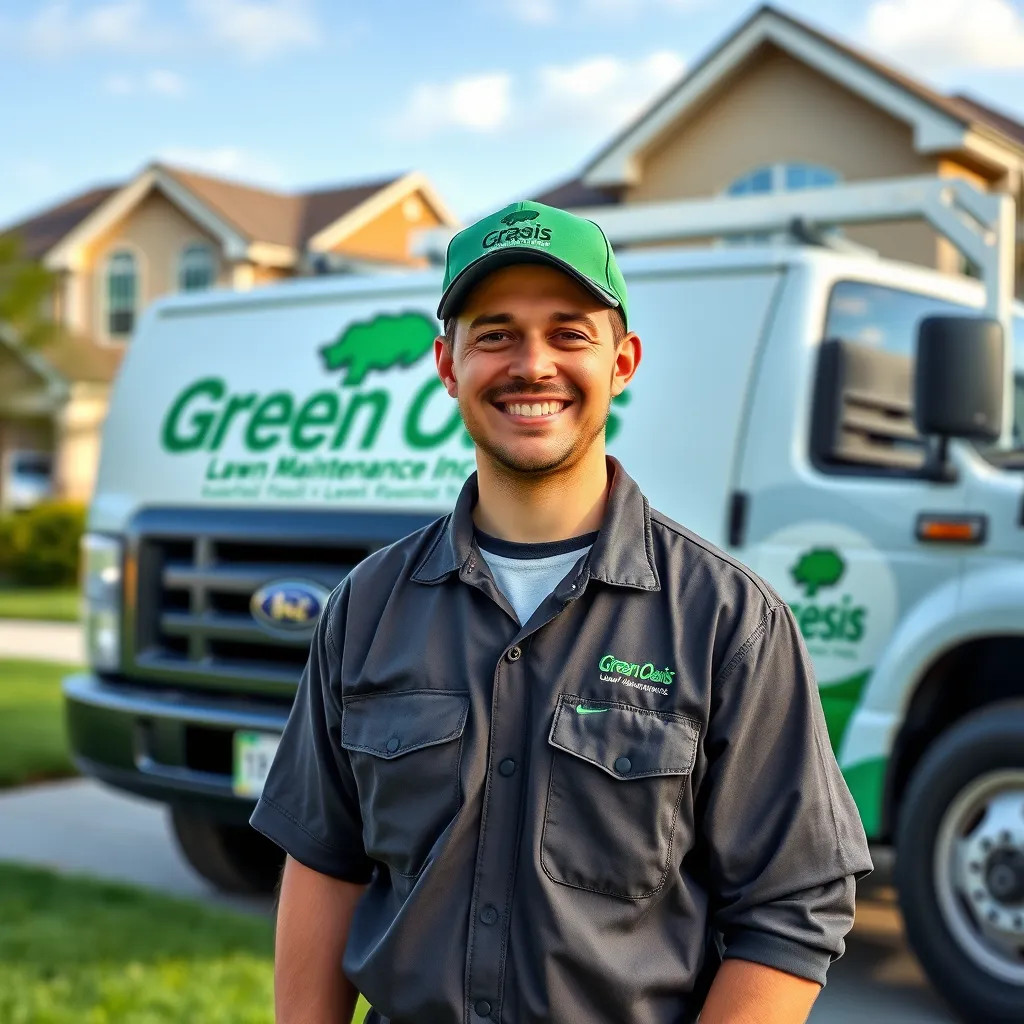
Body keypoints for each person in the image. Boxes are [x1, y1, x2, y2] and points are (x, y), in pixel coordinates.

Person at [251, 201, 873, 1024]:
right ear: (447, 365)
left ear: (623, 363)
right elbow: (325, 861)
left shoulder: (729, 621)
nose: (532, 364)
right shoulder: (366, 608)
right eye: (495, 334)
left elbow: (791, 909)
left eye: (569, 333)